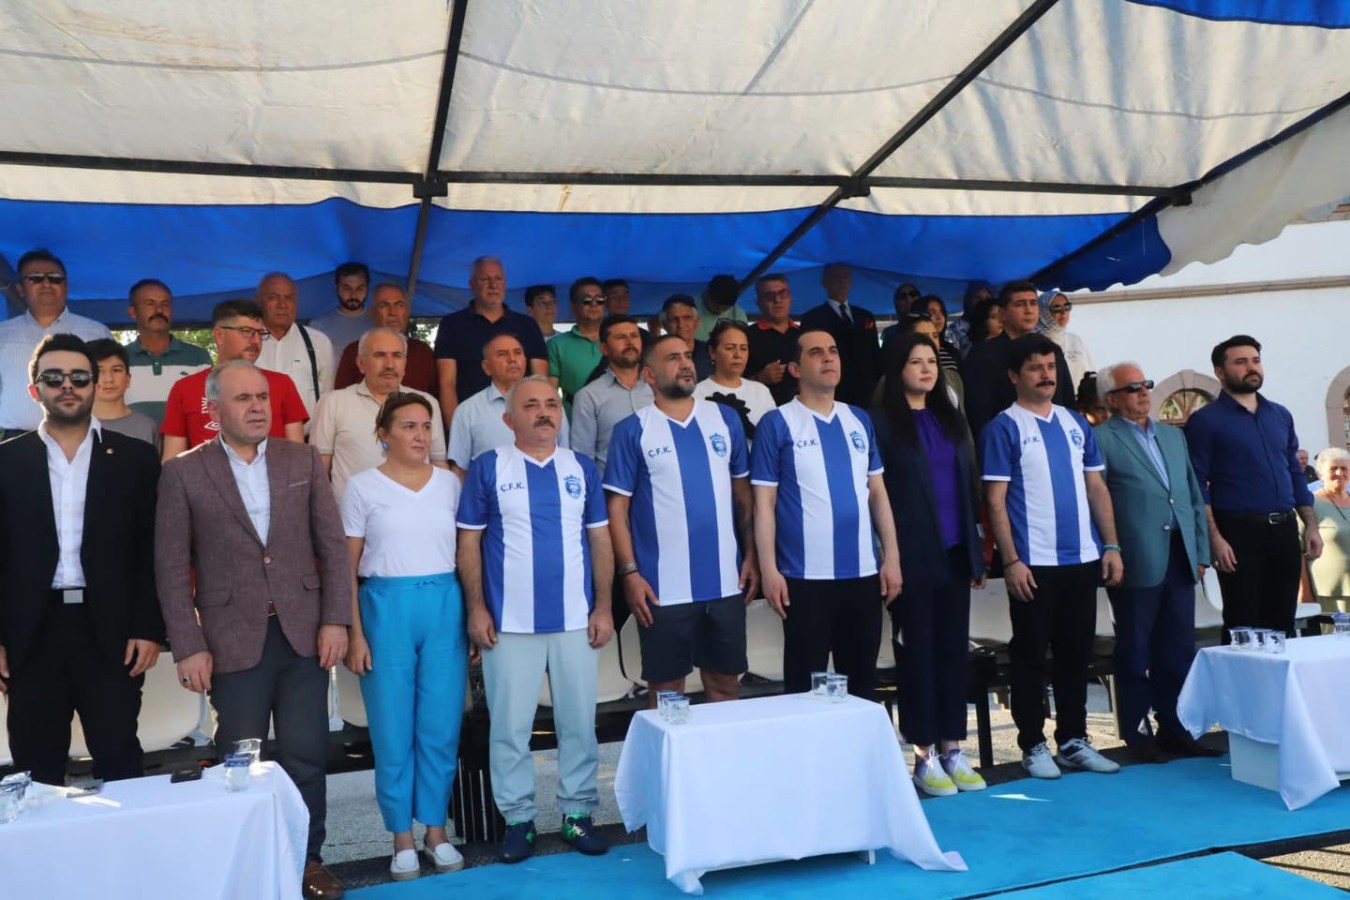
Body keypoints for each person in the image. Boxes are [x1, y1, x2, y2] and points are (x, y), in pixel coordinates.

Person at [156, 359, 351, 900]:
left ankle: (309, 861)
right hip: (229, 640)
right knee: (240, 762)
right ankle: (250, 870)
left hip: (304, 634)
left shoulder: (301, 458)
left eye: (262, 397)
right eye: (243, 398)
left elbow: (333, 547)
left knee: (307, 755)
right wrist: (188, 645)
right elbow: (169, 567)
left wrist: (335, 618)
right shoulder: (183, 472)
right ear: (214, 410)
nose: (258, 406)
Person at [457, 376, 614, 864]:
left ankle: (577, 813)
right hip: (510, 622)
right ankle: (518, 820)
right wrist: (477, 608)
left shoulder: (581, 467)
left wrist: (604, 605)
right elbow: (469, 543)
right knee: (510, 728)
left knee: (578, 723)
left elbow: (600, 540)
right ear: (509, 419)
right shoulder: (488, 467)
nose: (544, 412)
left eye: (551, 404)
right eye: (531, 405)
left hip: (574, 619)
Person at [0, 334, 162, 786]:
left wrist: (148, 627)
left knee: (120, 762)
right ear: (34, 389)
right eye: (53, 378)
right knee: (36, 773)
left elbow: (151, 549)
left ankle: (124, 838)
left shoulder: (135, 458)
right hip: (30, 634)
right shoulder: (6, 462)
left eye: (78, 377)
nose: (67, 386)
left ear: (94, 384)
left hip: (111, 632)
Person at [982, 335, 1123, 779]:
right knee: (1030, 657)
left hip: (1082, 558)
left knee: (1075, 654)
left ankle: (1074, 739)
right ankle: (1032, 744)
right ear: (1014, 376)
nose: (1046, 375)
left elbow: (1096, 487)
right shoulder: (1003, 427)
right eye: (1035, 367)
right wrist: (1011, 561)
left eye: (1050, 366)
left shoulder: (1075, 422)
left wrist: (1111, 545)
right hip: (1033, 563)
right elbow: (995, 500)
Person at [342, 392, 468, 880]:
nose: (420, 435)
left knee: (440, 726)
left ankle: (436, 831)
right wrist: (355, 633)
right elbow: (347, 569)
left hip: (444, 604)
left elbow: (467, 552)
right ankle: (401, 837)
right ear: (383, 434)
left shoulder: (450, 484)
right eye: (409, 426)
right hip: (385, 608)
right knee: (392, 730)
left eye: (426, 426)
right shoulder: (361, 487)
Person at [604, 334, 758, 705]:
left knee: (725, 684)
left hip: (725, 582)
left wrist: (752, 555)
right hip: (662, 587)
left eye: (688, 355)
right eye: (673, 358)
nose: (686, 363)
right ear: (649, 375)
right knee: (667, 692)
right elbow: (616, 510)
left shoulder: (725, 418)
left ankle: (720, 749)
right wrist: (629, 573)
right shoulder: (632, 430)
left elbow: (743, 495)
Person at [751, 329, 902, 700]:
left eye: (833, 350)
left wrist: (892, 558)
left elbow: (878, 493)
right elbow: (764, 503)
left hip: (862, 573)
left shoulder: (858, 419)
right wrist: (769, 569)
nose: (829, 357)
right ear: (794, 368)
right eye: (816, 352)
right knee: (805, 689)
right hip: (804, 577)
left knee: (862, 686)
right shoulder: (777, 422)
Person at [874, 333, 987, 796]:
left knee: (952, 653)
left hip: (956, 551)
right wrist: (889, 556)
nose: (926, 369)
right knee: (917, 654)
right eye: (916, 361)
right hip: (911, 556)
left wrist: (977, 550)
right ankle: (924, 755)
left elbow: (968, 485)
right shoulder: (882, 424)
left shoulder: (950, 417)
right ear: (897, 368)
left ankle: (953, 748)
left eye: (931, 362)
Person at [1094, 362, 1217, 762]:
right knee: (1135, 649)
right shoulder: (1101, 438)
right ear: (1112, 399)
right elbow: (1098, 500)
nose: (1144, 392)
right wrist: (1110, 549)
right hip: (1135, 557)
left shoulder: (1172, 435)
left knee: (1177, 649)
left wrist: (1201, 551)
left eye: (1146, 384)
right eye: (1133, 388)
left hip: (1180, 555)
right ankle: (1137, 733)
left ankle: (1176, 728)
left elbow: (1192, 495)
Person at [1185, 335, 1321, 639]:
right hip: (1238, 532)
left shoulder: (1280, 415)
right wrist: (1215, 539)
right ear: (1220, 372)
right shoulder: (1205, 421)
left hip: (1284, 529)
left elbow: (1294, 473)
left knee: (1282, 623)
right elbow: (1197, 483)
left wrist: (1310, 526)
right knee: (1243, 625)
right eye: (1241, 362)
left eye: (1255, 361)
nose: (1251, 367)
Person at [160, 299, 308, 460]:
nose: (256, 340)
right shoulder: (185, 388)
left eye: (260, 333)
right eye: (247, 331)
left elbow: (298, 458)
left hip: (271, 475)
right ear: (219, 335)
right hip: (207, 475)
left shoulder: (282, 384)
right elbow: (172, 461)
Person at [311, 328, 447, 502]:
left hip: (413, 510)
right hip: (351, 515)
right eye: (380, 355)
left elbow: (439, 464)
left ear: (405, 363)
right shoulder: (333, 402)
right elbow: (318, 471)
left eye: (397, 356)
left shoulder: (427, 403)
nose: (389, 364)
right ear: (361, 363)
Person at [0, 249, 111, 438]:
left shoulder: (96, 332)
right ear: (20, 289)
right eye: (35, 278)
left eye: (55, 278)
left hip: (82, 438)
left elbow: (109, 389)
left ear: (66, 287)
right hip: (16, 440)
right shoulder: (3, 334)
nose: (46, 284)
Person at [433, 256, 547, 425]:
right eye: (485, 279)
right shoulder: (451, 325)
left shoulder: (528, 325)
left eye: (498, 278)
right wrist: (456, 429)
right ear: (472, 284)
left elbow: (540, 382)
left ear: (505, 283)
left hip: (522, 422)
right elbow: (447, 384)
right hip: (472, 422)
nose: (493, 285)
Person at [962, 281, 1075, 441]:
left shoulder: (1051, 349)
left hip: (1053, 438)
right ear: (1002, 313)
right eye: (1020, 304)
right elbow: (978, 413)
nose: (1029, 310)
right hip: (1005, 441)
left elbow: (1067, 401)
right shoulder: (983, 354)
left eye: (1033, 303)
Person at [449, 333, 568, 475]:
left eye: (518, 353)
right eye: (502, 354)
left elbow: (565, 458)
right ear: (487, 367)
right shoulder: (467, 411)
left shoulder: (551, 405)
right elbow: (459, 470)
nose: (512, 359)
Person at [122, 278, 213, 426]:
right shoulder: (119, 359)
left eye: (165, 304)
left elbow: (208, 409)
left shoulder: (198, 357)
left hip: (186, 441)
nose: (159, 310)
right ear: (132, 312)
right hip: (131, 440)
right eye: (150, 303)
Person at [570, 315, 654, 477]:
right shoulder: (588, 396)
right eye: (620, 337)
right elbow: (583, 459)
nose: (630, 342)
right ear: (604, 349)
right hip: (611, 488)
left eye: (634, 336)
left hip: (660, 487)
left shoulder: (659, 387)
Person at [797, 263, 881, 408]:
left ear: (851, 281)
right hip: (833, 391)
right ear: (825, 281)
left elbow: (875, 355)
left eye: (845, 276)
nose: (841, 280)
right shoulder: (812, 318)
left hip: (867, 393)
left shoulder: (865, 316)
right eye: (836, 276)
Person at [333, 283, 439, 398]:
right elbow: (340, 398)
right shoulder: (355, 351)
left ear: (407, 311)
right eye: (384, 305)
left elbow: (435, 397)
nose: (393, 312)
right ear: (372, 313)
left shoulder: (423, 352)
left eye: (399, 305)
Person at [255, 272, 334, 421]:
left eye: (289, 298)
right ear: (259, 301)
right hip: (255, 434)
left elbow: (328, 398)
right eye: (274, 297)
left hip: (307, 434)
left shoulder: (318, 342)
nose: (282, 305)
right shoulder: (247, 342)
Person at [694, 319, 776, 440]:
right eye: (729, 348)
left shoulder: (761, 391)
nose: (738, 355)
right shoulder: (697, 393)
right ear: (712, 352)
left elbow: (774, 437)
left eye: (743, 348)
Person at [1301, 448, 1350, 614]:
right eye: (1333, 468)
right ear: (1320, 473)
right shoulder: (1308, 505)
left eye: (1344, 468)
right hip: (1330, 594)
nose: (1339, 473)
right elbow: (1297, 551)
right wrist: (1304, 592)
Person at [547, 277, 605, 417]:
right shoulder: (556, 345)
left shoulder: (618, 340)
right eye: (586, 300)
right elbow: (549, 393)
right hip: (574, 422)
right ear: (573, 306)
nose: (594, 304)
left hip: (616, 423)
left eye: (599, 299)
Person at [86, 338, 160, 448]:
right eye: (99, 371)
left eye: (116, 370)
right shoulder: (72, 426)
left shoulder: (147, 427)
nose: (109, 379)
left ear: (128, 379)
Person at [745, 273, 801, 406]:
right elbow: (731, 383)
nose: (777, 299)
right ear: (758, 303)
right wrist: (759, 379)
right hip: (764, 412)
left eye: (782, 293)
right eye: (769, 296)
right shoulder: (746, 337)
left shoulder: (805, 335)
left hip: (804, 411)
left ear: (790, 297)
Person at [309, 262, 373, 370]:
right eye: (347, 288)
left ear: (367, 288)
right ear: (336, 287)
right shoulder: (318, 325)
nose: (353, 295)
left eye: (359, 288)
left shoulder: (378, 323)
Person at [1038, 291, 1095, 399]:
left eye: (1067, 306)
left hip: (1079, 401)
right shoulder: (1034, 342)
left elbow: (1090, 372)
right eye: (1056, 308)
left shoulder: (1075, 340)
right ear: (1043, 312)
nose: (1063, 312)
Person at [660, 294, 714, 382]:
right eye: (674, 319)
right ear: (664, 324)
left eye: (687, 318)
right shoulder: (656, 355)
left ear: (697, 321)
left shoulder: (711, 352)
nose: (681, 325)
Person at [693, 274, 749, 343]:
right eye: (716, 308)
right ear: (706, 294)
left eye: (725, 309)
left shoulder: (738, 314)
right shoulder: (689, 307)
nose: (720, 311)